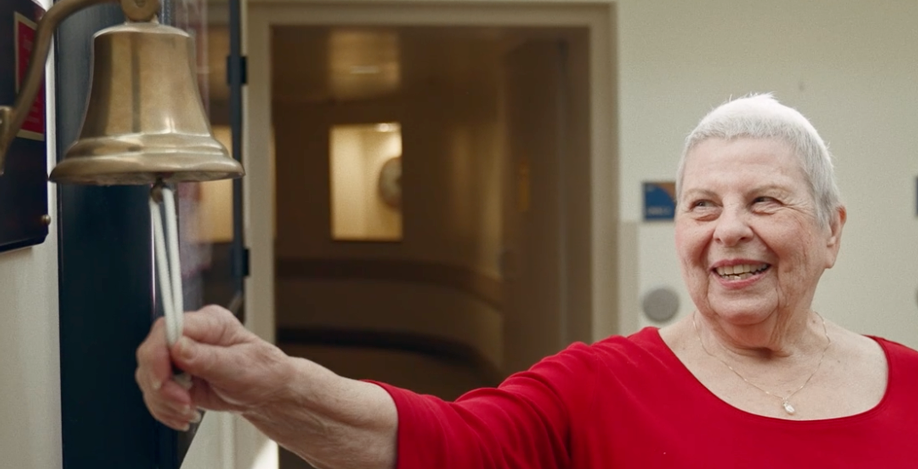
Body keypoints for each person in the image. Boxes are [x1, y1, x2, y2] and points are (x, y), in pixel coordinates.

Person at [136, 94, 918, 468]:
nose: (728, 230)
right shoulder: (598, 386)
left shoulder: (908, 382)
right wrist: (271, 384)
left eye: (765, 202)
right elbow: (428, 441)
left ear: (831, 232)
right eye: (701, 205)